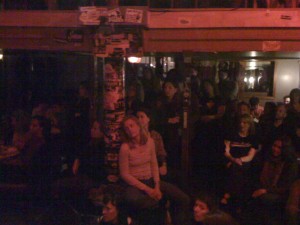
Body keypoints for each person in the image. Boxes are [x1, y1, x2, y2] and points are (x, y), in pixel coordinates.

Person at [119, 116, 190, 225]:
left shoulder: (150, 142)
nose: (129, 129)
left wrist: (156, 186)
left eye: (131, 126)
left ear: (138, 126)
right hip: (134, 184)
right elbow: (125, 174)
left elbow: (154, 164)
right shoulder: (125, 148)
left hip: (151, 180)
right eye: (126, 128)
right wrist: (148, 189)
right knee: (140, 200)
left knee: (183, 198)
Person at [221, 114, 258, 210]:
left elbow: (250, 156)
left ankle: (227, 195)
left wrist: (239, 160)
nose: (242, 125)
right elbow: (226, 152)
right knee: (237, 170)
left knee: (237, 168)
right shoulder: (231, 135)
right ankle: (239, 201)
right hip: (232, 160)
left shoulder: (253, 138)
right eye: (240, 122)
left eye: (245, 123)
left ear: (249, 125)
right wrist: (233, 160)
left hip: (244, 162)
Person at [136, 107, 167, 177]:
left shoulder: (155, 135)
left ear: (148, 119)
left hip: (154, 167)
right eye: (137, 117)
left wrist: (164, 165)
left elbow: (161, 152)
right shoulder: (134, 135)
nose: (139, 120)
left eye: (142, 117)